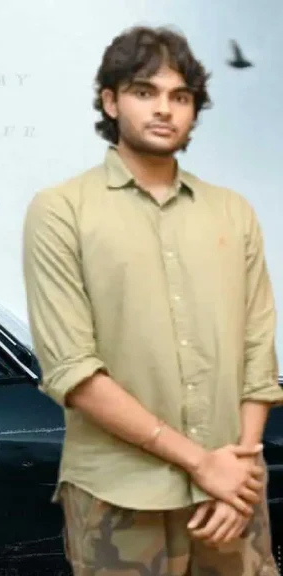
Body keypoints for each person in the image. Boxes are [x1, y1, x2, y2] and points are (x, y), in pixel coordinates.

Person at [22, 25, 283, 575]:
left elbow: (259, 355)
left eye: (180, 96)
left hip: (231, 497)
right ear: (111, 101)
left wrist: (237, 471)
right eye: (145, 91)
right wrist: (201, 464)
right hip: (117, 498)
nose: (165, 108)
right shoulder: (61, 211)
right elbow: (72, 370)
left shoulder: (233, 213)